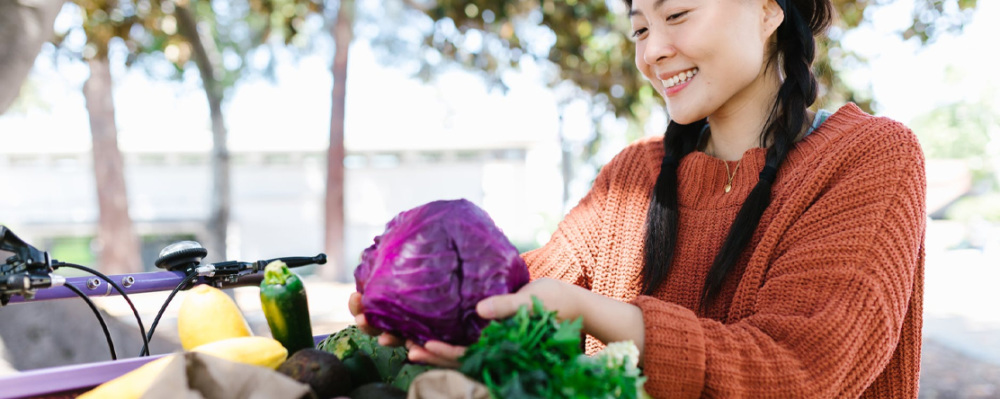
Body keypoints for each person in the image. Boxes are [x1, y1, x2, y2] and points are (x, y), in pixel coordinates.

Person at [349, 0, 927, 396]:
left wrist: (599, 314)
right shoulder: (635, 172)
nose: (653, 52)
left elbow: (804, 371)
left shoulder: (869, 157)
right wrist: (429, 304)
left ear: (768, 9)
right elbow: (526, 289)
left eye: (676, 15)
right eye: (640, 29)